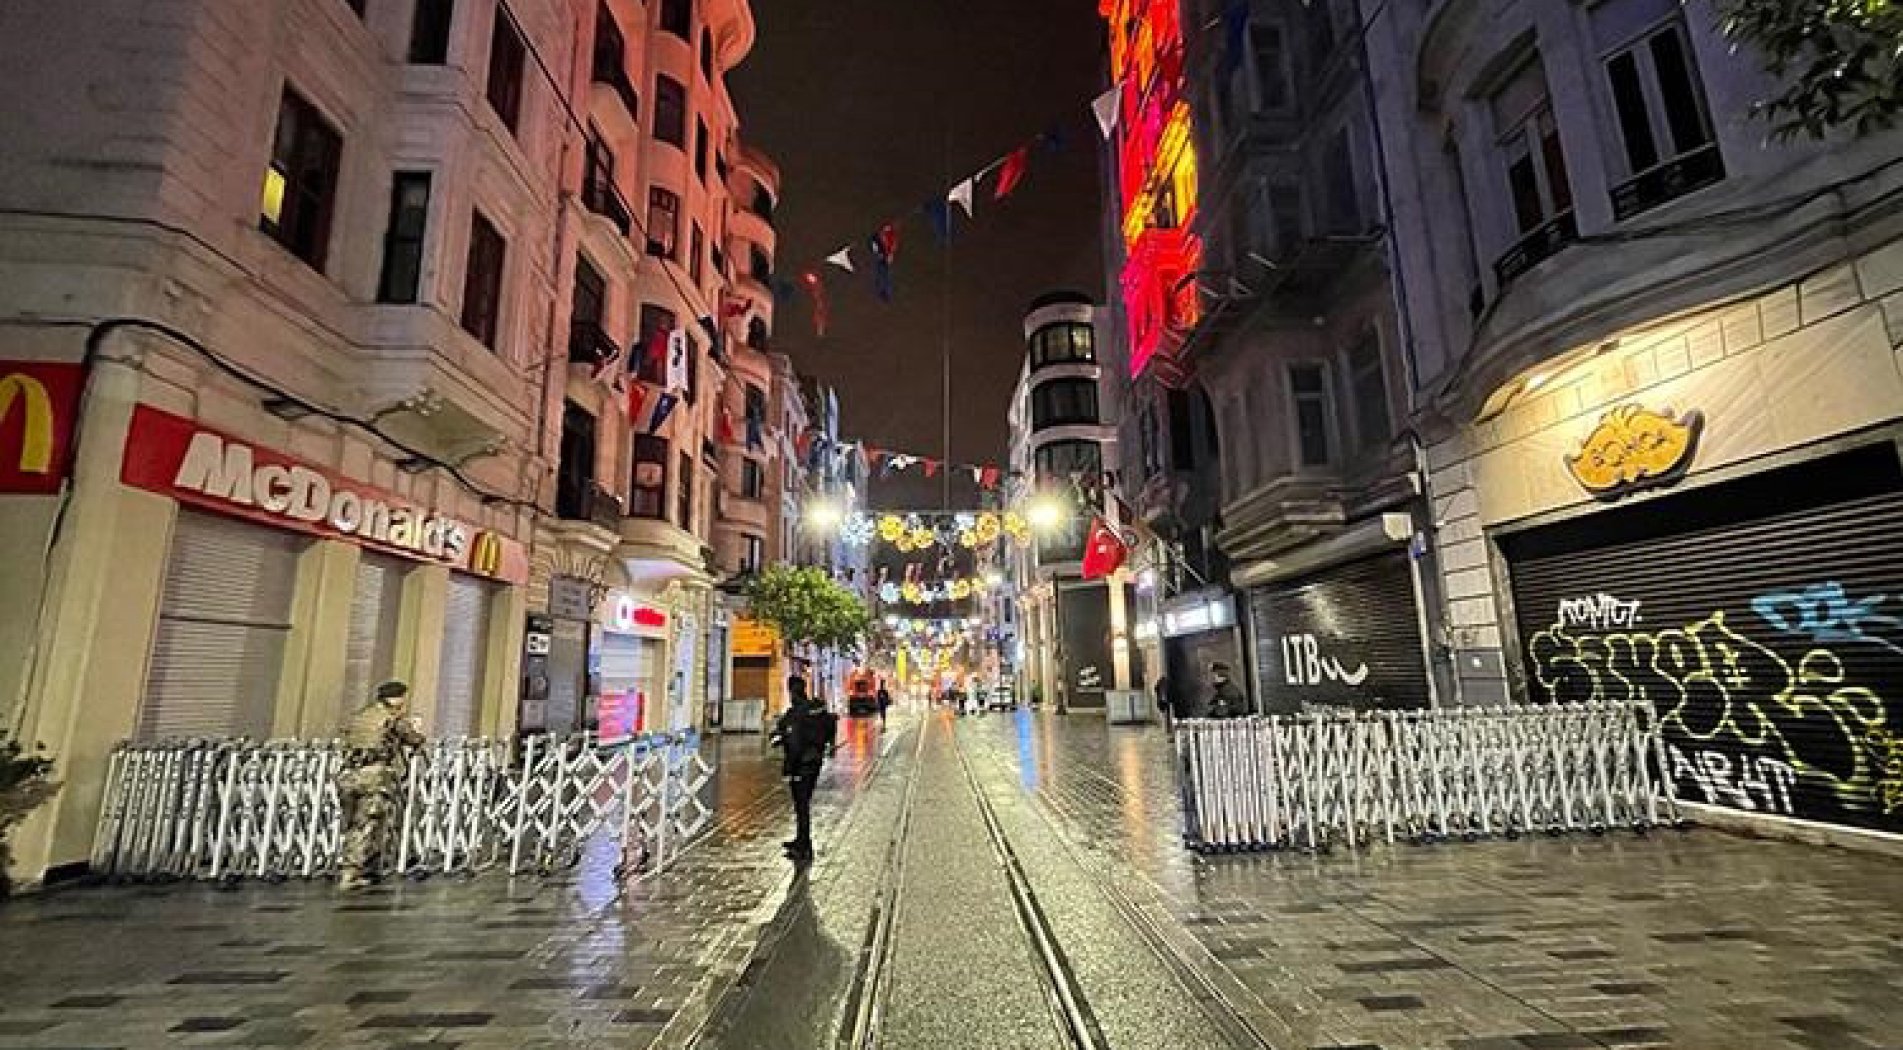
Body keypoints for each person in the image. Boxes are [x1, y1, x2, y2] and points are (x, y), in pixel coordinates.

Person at [336, 680, 425, 891]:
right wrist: (418, 734)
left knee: (352, 823)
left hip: (348, 775)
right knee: (368, 824)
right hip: (374, 776)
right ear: (397, 698)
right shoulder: (391, 719)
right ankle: (352, 873)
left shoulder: (360, 716)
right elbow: (412, 739)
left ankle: (365, 867)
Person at [770, 675, 836, 862]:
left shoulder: (796, 713)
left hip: (801, 766)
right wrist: (827, 746)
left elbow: (793, 741)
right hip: (814, 762)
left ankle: (804, 846)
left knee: (801, 806)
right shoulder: (815, 709)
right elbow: (831, 724)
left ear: (791, 691)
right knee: (802, 805)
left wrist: (790, 767)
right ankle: (800, 840)